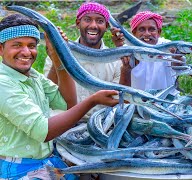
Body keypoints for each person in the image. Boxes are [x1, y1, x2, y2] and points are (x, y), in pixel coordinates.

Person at [0, 13, 118, 179]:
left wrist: (58, 57)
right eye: (17, 45)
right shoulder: (3, 83)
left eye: (32, 45)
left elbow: (68, 103)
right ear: (1, 48)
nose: (26, 52)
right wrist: (92, 100)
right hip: (17, 168)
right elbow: (44, 131)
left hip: (43, 162)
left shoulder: (33, 76)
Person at [44, 2, 122, 119]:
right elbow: (46, 94)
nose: (93, 25)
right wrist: (57, 59)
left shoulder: (115, 61)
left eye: (100, 21)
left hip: (100, 124)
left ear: (106, 26)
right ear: (78, 23)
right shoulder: (57, 53)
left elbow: (117, 100)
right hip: (63, 124)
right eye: (87, 19)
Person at [112, 11, 180, 92]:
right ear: (134, 33)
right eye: (142, 30)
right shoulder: (127, 50)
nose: (147, 34)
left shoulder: (168, 47)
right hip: (136, 102)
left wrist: (177, 56)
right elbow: (122, 89)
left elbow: (178, 65)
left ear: (159, 32)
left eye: (152, 29)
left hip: (166, 102)